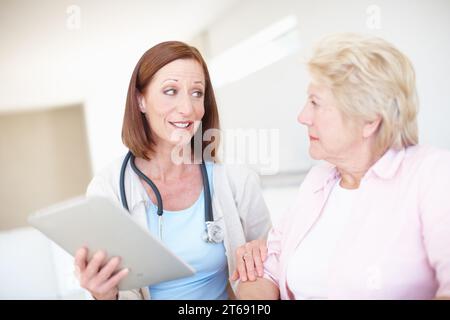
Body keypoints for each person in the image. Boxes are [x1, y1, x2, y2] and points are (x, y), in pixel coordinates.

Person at [237, 33, 450, 299]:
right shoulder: (318, 180)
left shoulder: (433, 176)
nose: (302, 117)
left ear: (369, 120)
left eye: (315, 103)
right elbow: (264, 270)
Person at [74, 41, 271, 300]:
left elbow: (269, 265)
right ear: (140, 100)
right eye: (170, 91)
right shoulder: (107, 189)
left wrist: (261, 261)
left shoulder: (237, 180)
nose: (188, 109)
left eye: (197, 93)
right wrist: (104, 296)